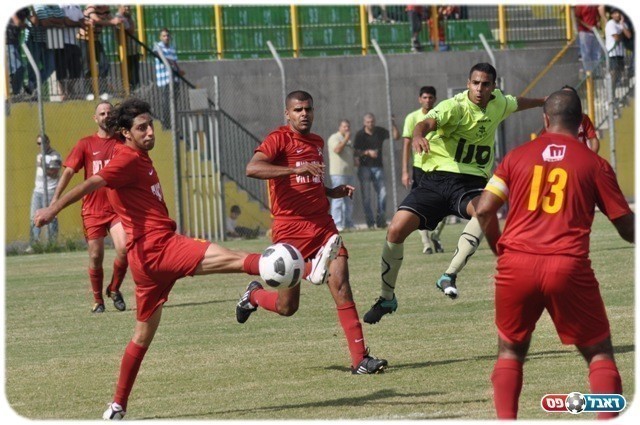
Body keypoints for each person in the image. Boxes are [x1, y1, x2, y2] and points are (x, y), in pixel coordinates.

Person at [33, 98, 279, 419]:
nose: (150, 132)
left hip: (145, 260)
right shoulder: (125, 159)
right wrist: (53, 208)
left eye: (150, 125)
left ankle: (117, 405)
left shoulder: (136, 154)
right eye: (142, 128)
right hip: (159, 247)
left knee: (141, 336)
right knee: (235, 258)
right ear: (126, 133)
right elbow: (93, 181)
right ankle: (297, 268)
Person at [475, 89, 634, 419]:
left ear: (545, 119)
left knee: (510, 351)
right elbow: (626, 227)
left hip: (516, 265)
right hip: (567, 266)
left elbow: (484, 209)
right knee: (599, 353)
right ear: (581, 122)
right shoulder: (594, 164)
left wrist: (499, 249)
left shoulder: (515, 157)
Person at [363, 63, 545, 324]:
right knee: (395, 230)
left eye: (485, 84)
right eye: (475, 83)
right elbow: (425, 123)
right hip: (436, 180)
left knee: (485, 211)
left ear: (493, 87)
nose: (479, 89)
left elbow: (518, 102)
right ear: (468, 84)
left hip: (470, 183)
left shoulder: (500, 103)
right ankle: (386, 298)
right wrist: (418, 136)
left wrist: (545, 101)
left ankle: (449, 275)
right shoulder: (454, 107)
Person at [238, 90, 388, 375]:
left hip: (322, 226)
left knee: (341, 282)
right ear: (287, 113)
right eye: (298, 110)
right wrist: (293, 170)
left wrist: (332, 191)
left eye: (308, 109)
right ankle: (254, 295)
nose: (304, 114)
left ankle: (360, 360)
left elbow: (311, 181)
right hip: (289, 228)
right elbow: (252, 168)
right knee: (287, 307)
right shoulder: (279, 138)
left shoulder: (317, 142)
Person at [51, 102, 129, 313]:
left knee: (124, 249)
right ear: (95, 118)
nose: (106, 116)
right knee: (95, 256)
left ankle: (114, 289)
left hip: (117, 208)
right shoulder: (85, 144)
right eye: (102, 113)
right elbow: (68, 171)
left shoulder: (123, 141)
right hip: (93, 210)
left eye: (109, 112)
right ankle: (98, 301)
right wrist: (55, 200)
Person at [401, 86, 446, 254]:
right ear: (420, 99)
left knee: (445, 205)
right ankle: (426, 243)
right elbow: (406, 144)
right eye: (425, 97)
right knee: (420, 206)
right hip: (420, 168)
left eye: (430, 97)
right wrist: (405, 171)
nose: (428, 100)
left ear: (435, 99)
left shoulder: (441, 115)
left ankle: (435, 235)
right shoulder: (412, 118)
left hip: (440, 166)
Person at [353, 113, 399, 229]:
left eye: (372, 121)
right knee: (366, 197)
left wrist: (393, 124)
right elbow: (355, 152)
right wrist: (367, 152)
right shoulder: (360, 134)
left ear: (375, 121)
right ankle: (370, 223)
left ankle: (381, 221)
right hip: (364, 168)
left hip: (378, 167)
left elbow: (396, 137)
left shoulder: (379, 131)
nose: (370, 124)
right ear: (364, 123)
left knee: (383, 194)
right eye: (368, 122)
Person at [78, 5, 122, 98]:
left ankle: (102, 90)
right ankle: (89, 92)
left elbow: (113, 19)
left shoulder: (106, 8)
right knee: (87, 68)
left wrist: (116, 21)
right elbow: (96, 19)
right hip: (83, 40)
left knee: (104, 64)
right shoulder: (91, 7)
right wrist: (112, 22)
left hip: (95, 40)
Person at [539, 85, 600, 154]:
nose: (566, 98)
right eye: (564, 95)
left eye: (570, 96)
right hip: (562, 157)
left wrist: (590, 156)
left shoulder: (583, 118)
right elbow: (543, 140)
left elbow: (593, 139)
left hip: (580, 155)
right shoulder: (553, 118)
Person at [28, 134, 62, 252]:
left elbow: (54, 172)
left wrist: (43, 165)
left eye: (42, 143)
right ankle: (34, 244)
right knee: (34, 217)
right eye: (38, 143)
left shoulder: (55, 155)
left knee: (51, 217)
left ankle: (52, 244)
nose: (40, 146)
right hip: (38, 190)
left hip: (50, 191)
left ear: (48, 143)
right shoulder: (39, 156)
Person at [327, 119, 356, 231]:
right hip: (338, 174)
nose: (347, 128)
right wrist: (346, 138)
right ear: (339, 127)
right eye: (344, 126)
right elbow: (337, 149)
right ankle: (337, 224)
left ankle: (348, 223)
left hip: (349, 173)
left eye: (348, 126)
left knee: (349, 199)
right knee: (338, 199)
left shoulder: (348, 141)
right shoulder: (334, 138)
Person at [154, 28, 184, 130]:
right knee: (167, 102)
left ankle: (173, 124)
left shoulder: (171, 48)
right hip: (165, 80)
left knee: (173, 103)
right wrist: (171, 62)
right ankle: (166, 124)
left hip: (174, 79)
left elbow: (174, 62)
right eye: (164, 36)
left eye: (167, 35)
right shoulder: (158, 46)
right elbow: (159, 56)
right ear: (160, 37)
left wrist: (179, 71)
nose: (166, 37)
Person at [5, 7, 33, 98]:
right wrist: (24, 24)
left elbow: (33, 21)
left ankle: (15, 92)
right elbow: (17, 22)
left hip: (14, 43)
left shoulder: (25, 10)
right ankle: (16, 92)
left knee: (16, 70)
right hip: (7, 43)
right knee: (19, 68)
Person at [59, 4, 85, 99]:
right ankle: (63, 93)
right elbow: (65, 21)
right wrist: (78, 24)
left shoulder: (77, 6)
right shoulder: (61, 5)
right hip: (62, 42)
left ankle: (69, 91)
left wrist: (76, 23)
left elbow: (82, 20)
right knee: (62, 70)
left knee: (76, 70)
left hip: (74, 42)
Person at [604, 8, 632, 90]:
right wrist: (622, 34)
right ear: (611, 15)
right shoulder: (610, 24)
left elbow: (629, 36)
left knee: (618, 74)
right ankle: (611, 93)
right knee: (613, 74)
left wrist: (622, 25)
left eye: (619, 13)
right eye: (615, 13)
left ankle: (613, 92)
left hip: (620, 53)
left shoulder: (622, 24)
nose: (617, 15)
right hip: (612, 54)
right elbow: (617, 38)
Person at [115, 5, 140, 91]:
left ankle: (132, 91)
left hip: (133, 50)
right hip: (125, 51)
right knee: (128, 75)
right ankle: (128, 92)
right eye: (125, 6)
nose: (127, 8)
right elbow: (131, 30)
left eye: (129, 6)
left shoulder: (128, 17)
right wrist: (130, 19)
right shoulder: (119, 17)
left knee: (135, 76)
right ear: (119, 6)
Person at [574, 5, 605, 73]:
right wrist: (588, 26)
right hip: (584, 31)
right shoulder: (580, 5)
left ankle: (596, 72)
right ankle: (588, 72)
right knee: (586, 53)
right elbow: (578, 18)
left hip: (594, 31)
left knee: (596, 53)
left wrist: (598, 21)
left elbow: (597, 14)